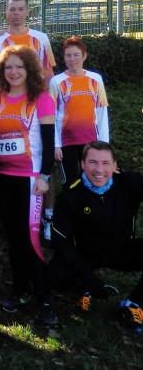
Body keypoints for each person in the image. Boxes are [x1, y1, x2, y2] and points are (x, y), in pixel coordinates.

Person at [0, 45, 57, 325]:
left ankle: (44, 299)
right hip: (1, 177)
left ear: (29, 69)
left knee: (30, 239)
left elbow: (49, 142)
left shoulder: (41, 99)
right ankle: (19, 290)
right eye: (8, 67)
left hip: (30, 180)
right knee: (14, 238)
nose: (14, 72)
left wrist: (44, 177)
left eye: (19, 66)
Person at [51, 141, 143, 334]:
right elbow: (60, 242)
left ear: (115, 165)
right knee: (55, 277)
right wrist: (88, 277)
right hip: (85, 254)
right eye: (93, 162)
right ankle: (82, 288)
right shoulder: (70, 194)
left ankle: (133, 304)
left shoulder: (129, 183)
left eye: (105, 163)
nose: (99, 170)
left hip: (121, 249)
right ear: (82, 164)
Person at [49, 36, 109, 186]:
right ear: (64, 57)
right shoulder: (56, 81)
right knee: (70, 184)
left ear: (84, 56)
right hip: (66, 142)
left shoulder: (96, 79)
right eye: (68, 55)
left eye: (76, 55)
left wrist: (104, 144)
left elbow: (101, 112)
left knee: (91, 181)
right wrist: (56, 144)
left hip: (91, 142)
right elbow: (51, 115)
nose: (72, 59)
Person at [0, 0, 56, 88]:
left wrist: (49, 95)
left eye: (21, 9)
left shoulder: (42, 39)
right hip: (7, 94)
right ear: (6, 12)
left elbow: (49, 72)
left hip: (36, 93)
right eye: (12, 9)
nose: (16, 13)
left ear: (27, 12)